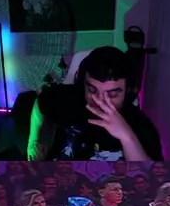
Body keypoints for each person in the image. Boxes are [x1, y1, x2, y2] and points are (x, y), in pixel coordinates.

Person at [29, 46, 162, 161]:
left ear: (128, 91)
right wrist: (33, 141)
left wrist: (126, 136)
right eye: (92, 91)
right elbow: (39, 104)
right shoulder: (69, 98)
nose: (100, 101)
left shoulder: (141, 126)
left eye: (112, 94)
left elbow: (150, 176)